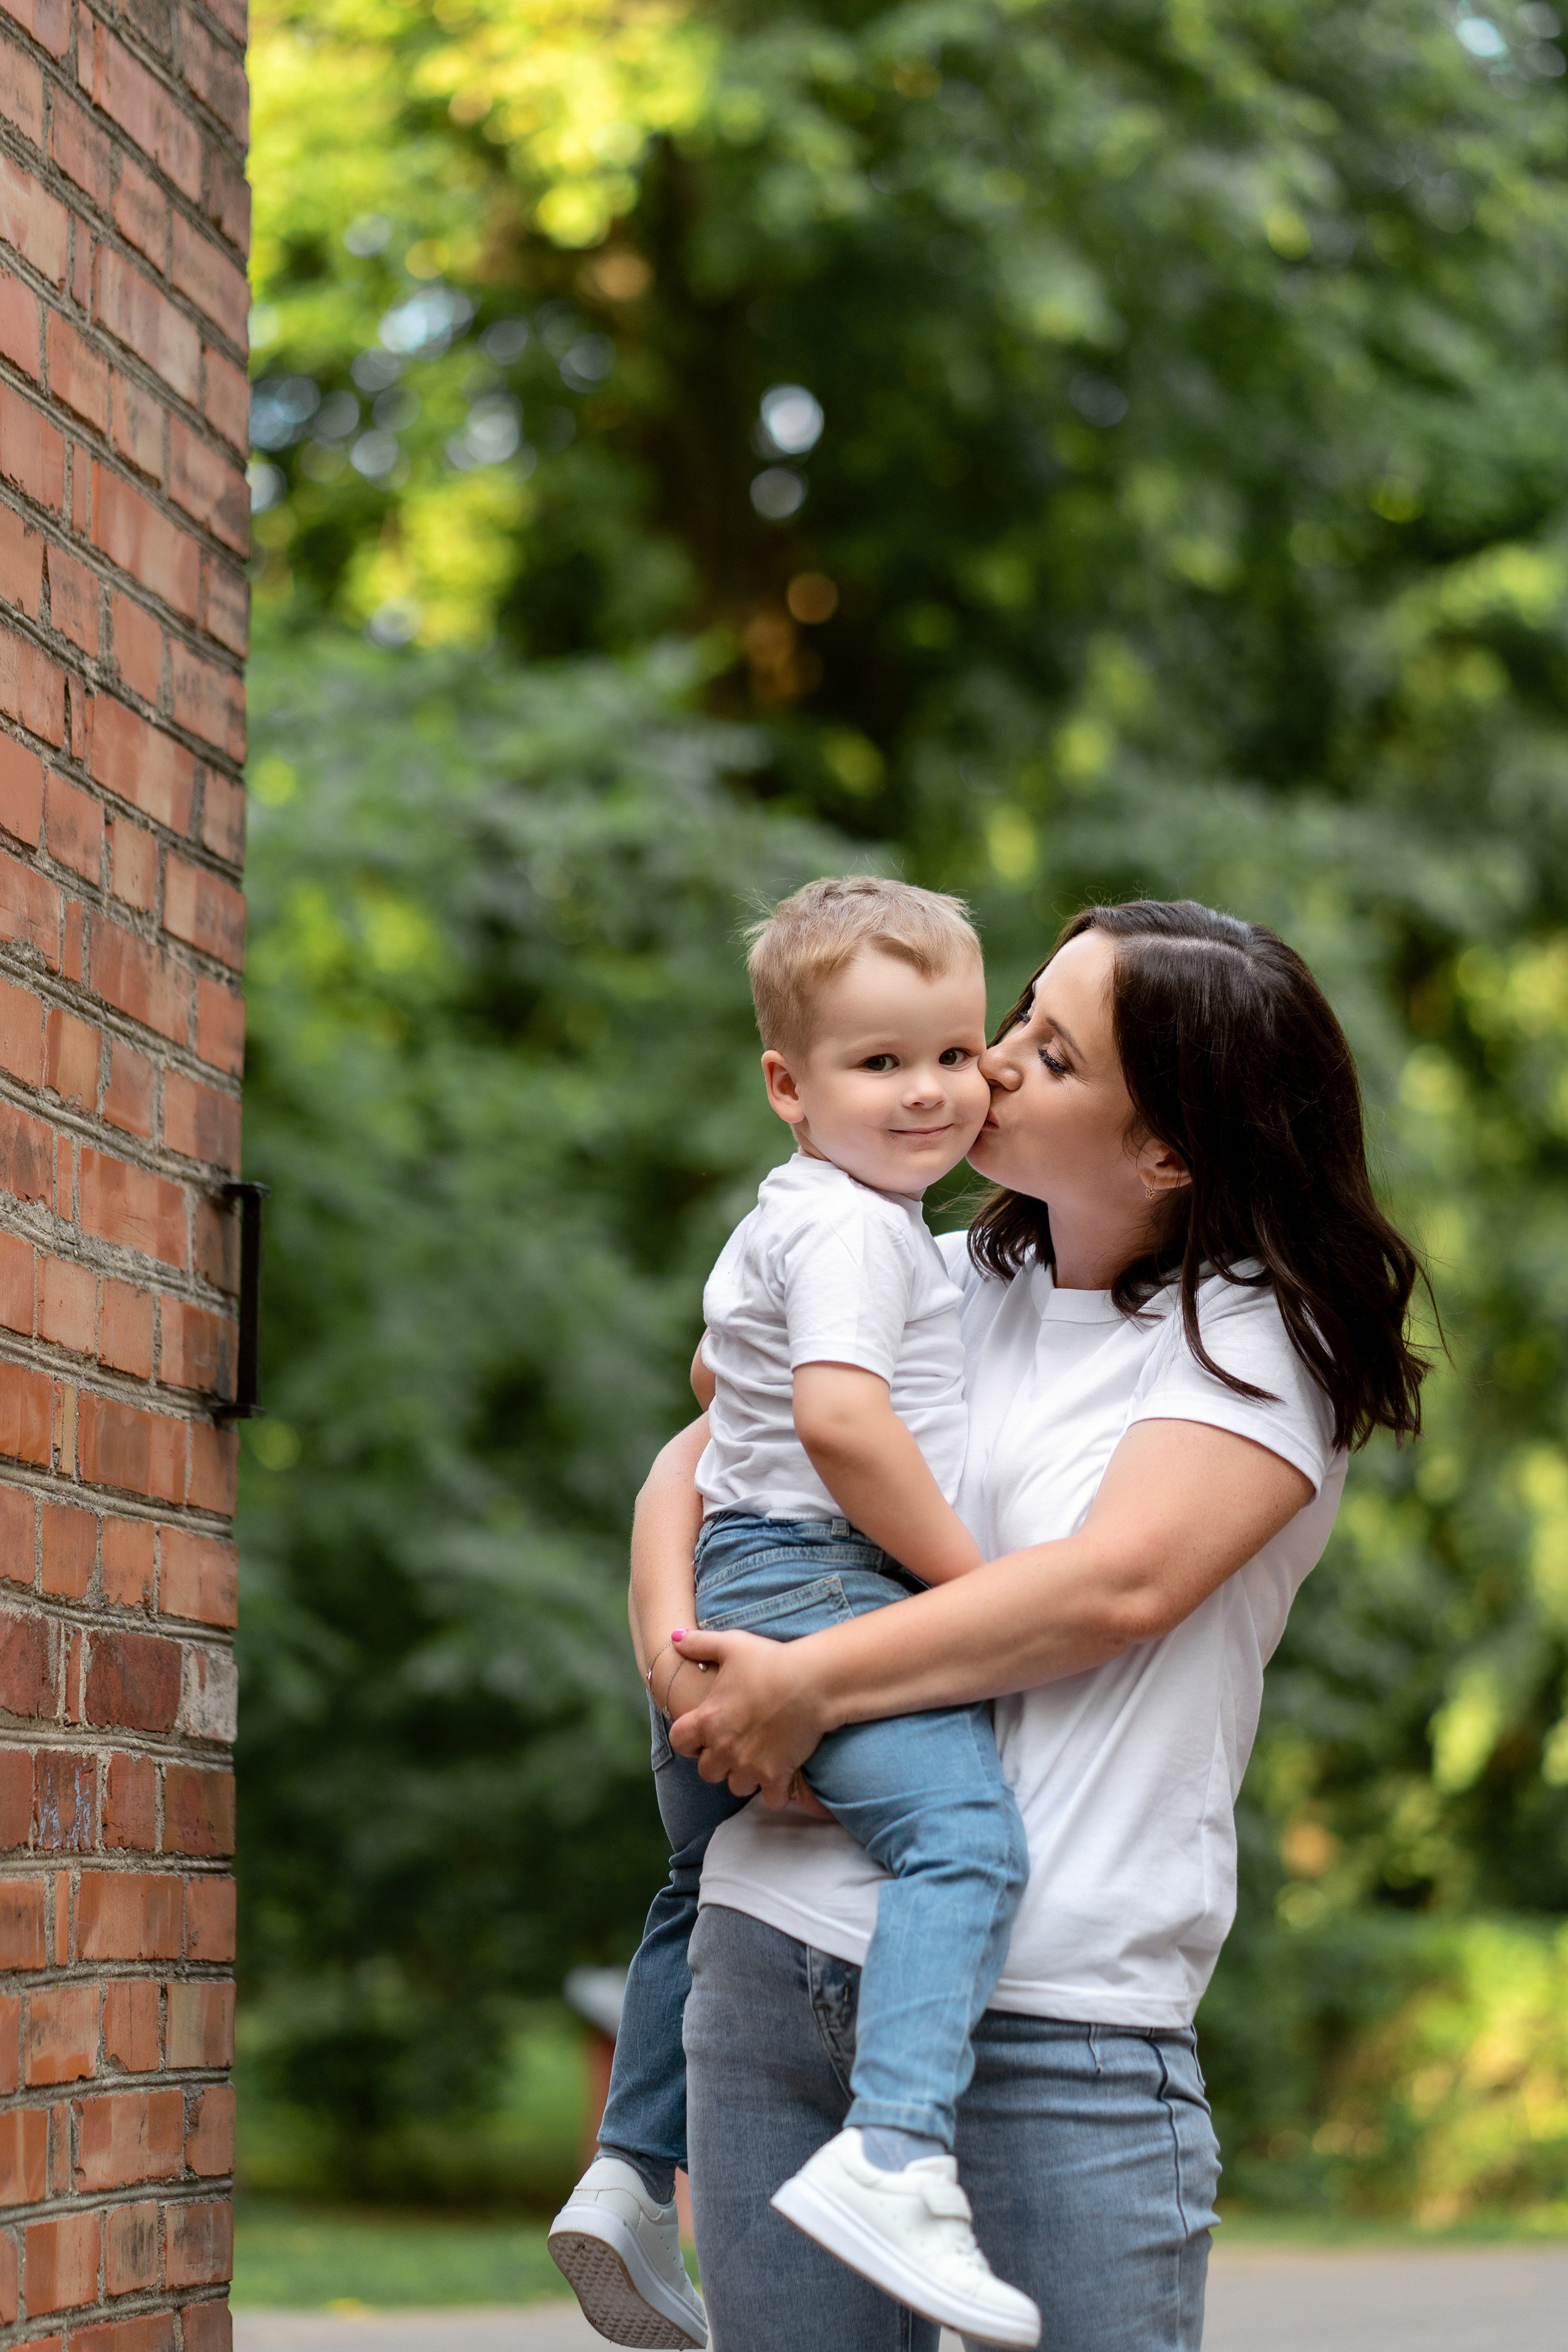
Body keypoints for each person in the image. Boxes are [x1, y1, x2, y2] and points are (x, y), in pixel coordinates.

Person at [634, 899, 1428, 2352]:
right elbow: (697, 1452)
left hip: (1055, 2019)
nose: (989, 1066)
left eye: (1048, 1055)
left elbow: (1107, 1590)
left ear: (1167, 1150)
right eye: (1015, 1023)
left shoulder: (1253, 1340)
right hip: (774, 1969)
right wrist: (677, 1650)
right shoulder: (941, 1276)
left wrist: (802, 1681)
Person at [549, 878, 1038, 2350]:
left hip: (730, 1583)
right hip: (815, 1579)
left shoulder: (792, 1216)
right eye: (877, 1063)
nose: (928, 1091)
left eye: (954, 1054)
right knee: (962, 1842)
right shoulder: (859, 1234)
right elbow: (832, 1418)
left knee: (700, 1894)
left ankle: (631, 2175)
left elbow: (722, 1389)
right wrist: (973, 1584)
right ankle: (896, 2150)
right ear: (787, 1084)